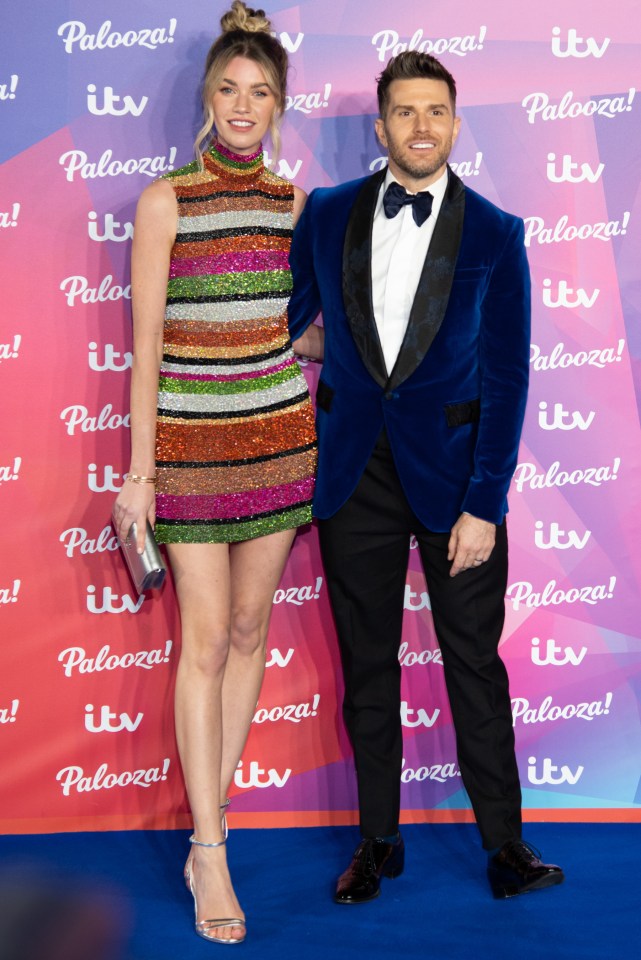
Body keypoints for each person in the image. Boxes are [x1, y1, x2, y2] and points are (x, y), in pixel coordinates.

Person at [288, 51, 564, 902]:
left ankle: (505, 845)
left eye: (434, 112)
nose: (419, 127)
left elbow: (508, 375)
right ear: (379, 127)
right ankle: (378, 841)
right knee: (366, 667)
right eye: (402, 112)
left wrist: (485, 502)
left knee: (473, 666)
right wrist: (371, 371)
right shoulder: (328, 212)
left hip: (456, 484)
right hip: (354, 476)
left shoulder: (495, 231)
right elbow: (298, 322)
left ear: (452, 122)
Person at [113, 1, 316, 943]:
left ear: (279, 105)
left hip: (279, 439)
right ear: (207, 96)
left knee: (247, 629)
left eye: (260, 91)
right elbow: (145, 347)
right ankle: (212, 852)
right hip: (190, 454)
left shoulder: (294, 204)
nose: (243, 105)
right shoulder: (167, 199)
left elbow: (295, 328)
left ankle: (210, 824)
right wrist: (139, 476)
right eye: (229, 89)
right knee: (202, 642)